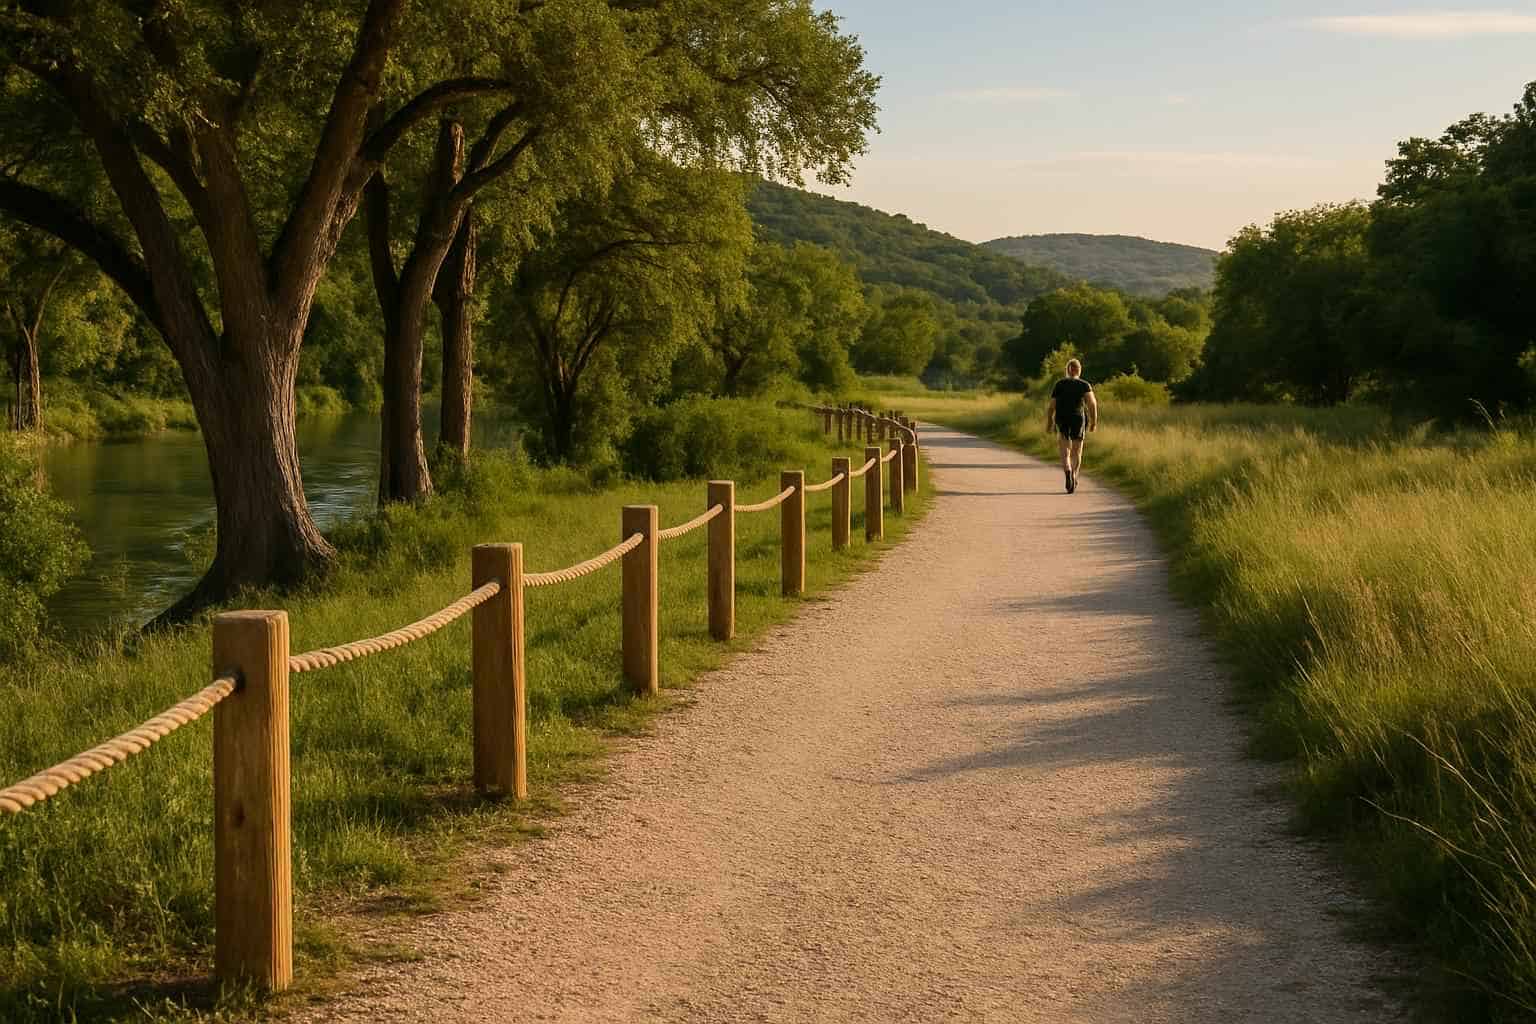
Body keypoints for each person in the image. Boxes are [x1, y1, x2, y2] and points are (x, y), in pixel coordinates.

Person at [1043, 359, 1097, 493]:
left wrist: (1049, 423)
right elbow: (1092, 404)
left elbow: (1051, 407)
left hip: (1062, 418)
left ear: (1067, 370)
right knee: (1077, 451)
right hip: (1078, 418)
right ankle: (1074, 474)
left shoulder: (1060, 384)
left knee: (1065, 450)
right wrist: (1093, 422)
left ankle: (1067, 472)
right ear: (1079, 370)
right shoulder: (1084, 385)